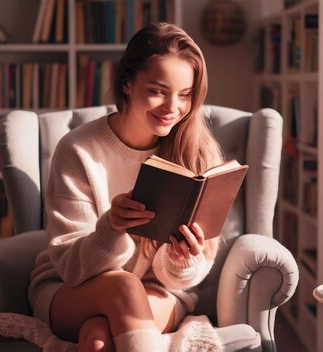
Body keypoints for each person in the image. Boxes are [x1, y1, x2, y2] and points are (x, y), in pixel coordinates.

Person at [27, 23, 224, 352]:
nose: (172, 108)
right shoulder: (77, 149)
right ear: (127, 83)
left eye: (185, 95)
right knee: (122, 286)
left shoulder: (199, 152)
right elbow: (71, 267)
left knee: (98, 338)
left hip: (159, 290)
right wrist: (111, 228)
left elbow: (193, 273)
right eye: (158, 90)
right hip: (70, 288)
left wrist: (181, 259)